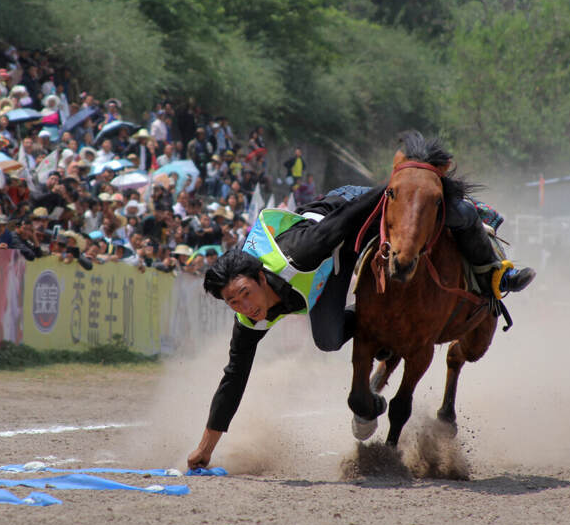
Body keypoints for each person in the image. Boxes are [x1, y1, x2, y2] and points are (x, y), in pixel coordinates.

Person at [186, 138, 536, 468]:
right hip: (336, 262)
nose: (244, 307)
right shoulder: (248, 318)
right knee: (326, 339)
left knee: (447, 212)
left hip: (351, 213)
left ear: (261, 278)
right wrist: (205, 448)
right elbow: (234, 377)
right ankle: (384, 341)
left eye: (245, 295)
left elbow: (344, 222)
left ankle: (495, 272)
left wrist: (398, 187)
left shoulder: (301, 254)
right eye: (233, 302)